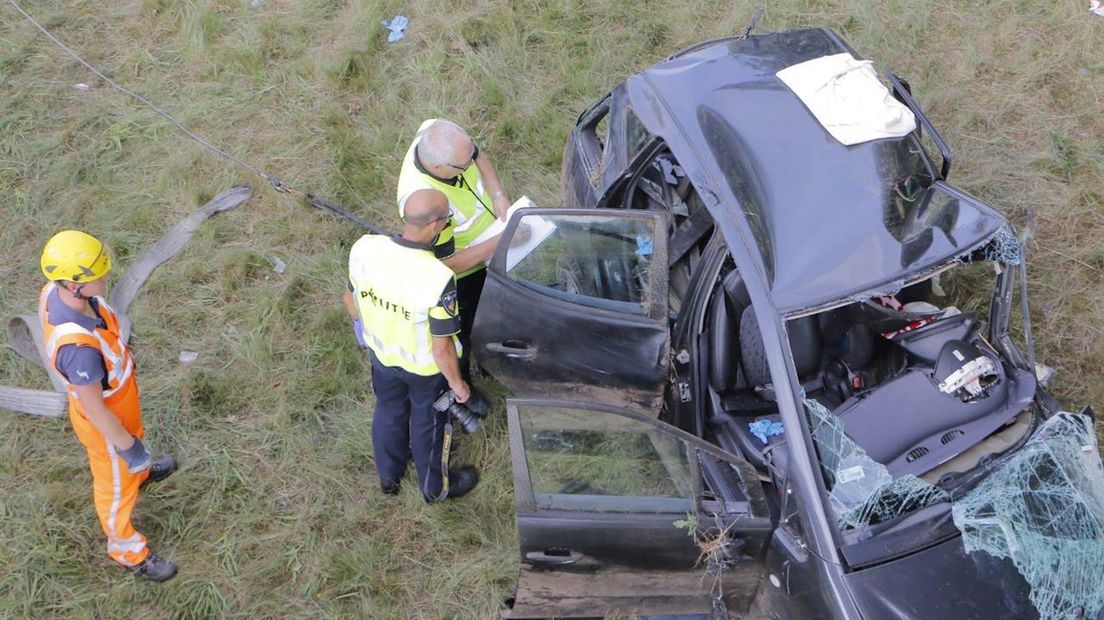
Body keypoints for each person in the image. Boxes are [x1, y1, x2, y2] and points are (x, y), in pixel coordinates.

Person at [37, 230, 177, 582]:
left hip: (122, 402)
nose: (106, 276)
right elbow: (96, 410)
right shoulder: (79, 350)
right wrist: (127, 448)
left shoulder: (56, 292)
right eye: (98, 275)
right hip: (107, 423)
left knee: (135, 450)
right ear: (73, 285)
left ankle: (141, 474)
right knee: (113, 489)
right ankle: (127, 550)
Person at [345, 193, 480, 501]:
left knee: (389, 411)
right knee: (429, 423)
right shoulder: (437, 277)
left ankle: (389, 479)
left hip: (381, 357)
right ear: (434, 225)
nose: (447, 222)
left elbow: (350, 298)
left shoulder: (365, 248)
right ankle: (434, 488)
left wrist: (367, 329)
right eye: (446, 218)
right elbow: (441, 347)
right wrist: (457, 385)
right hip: (426, 372)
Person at [396, 119, 511, 377]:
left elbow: (478, 155)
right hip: (466, 273)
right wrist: (503, 239)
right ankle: (472, 373)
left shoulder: (438, 132)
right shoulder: (428, 204)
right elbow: (446, 263)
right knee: (473, 325)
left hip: (493, 243)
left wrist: (498, 195)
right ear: (439, 167)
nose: (471, 163)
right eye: (464, 164)